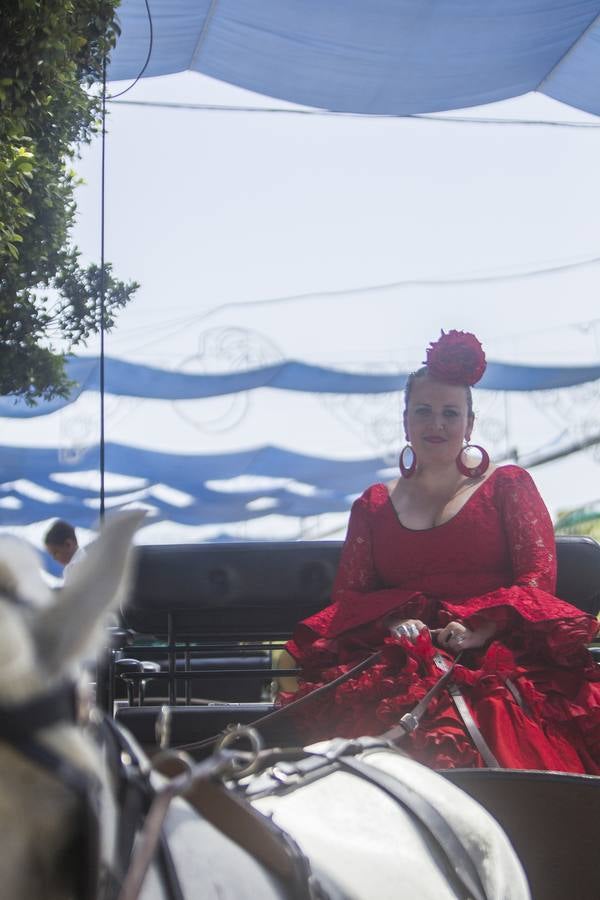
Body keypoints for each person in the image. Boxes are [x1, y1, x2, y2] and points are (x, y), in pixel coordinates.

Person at [279, 330, 600, 773]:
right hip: (401, 656)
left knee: (497, 716)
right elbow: (349, 600)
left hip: (497, 653)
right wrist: (395, 621)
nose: (437, 425)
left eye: (451, 413)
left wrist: (480, 629)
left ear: (469, 424)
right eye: (424, 411)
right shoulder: (372, 504)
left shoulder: (508, 486)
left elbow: (535, 580)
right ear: (406, 419)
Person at [44, 519, 87, 583]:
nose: (54, 558)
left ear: (68, 544)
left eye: (55, 553)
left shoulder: (81, 566)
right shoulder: (69, 568)